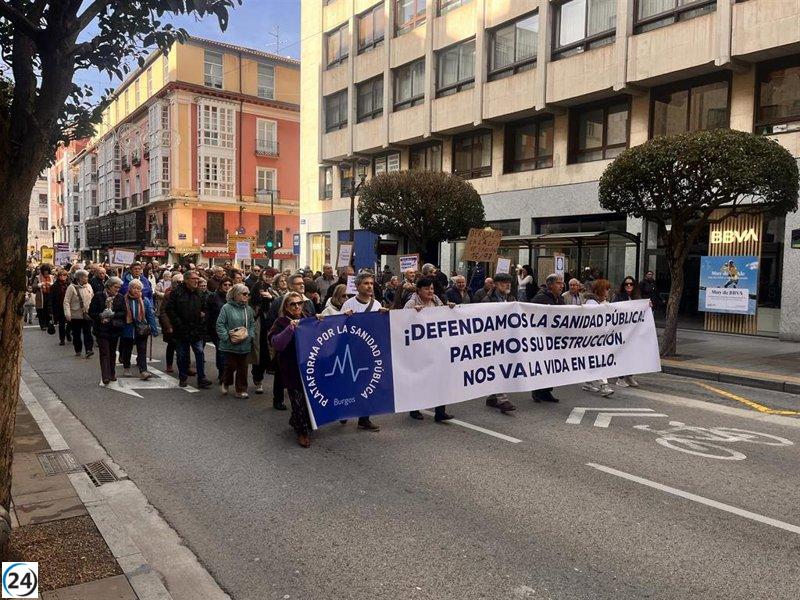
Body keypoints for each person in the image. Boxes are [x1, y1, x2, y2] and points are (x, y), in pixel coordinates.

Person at [335, 272, 383, 431]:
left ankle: (364, 418)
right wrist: (344, 317)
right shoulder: (349, 304)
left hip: (369, 352)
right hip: (352, 351)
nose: (369, 286)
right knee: (349, 383)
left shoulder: (376, 304)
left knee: (367, 385)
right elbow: (338, 328)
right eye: (366, 283)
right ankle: (344, 409)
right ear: (357, 286)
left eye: (371, 283)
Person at [404, 278, 454, 422]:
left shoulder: (437, 301)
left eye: (431, 288)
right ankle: (414, 408)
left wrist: (449, 309)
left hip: (437, 348)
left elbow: (445, 320)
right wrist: (413, 314)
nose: (430, 291)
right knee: (421, 380)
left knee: (440, 379)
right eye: (426, 289)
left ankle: (440, 412)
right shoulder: (412, 303)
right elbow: (402, 323)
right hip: (419, 350)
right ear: (418, 290)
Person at [269, 292, 313, 447]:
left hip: (309, 366)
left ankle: (297, 420)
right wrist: (290, 328)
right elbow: (276, 343)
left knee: (308, 400)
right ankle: (302, 432)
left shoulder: (308, 319)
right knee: (297, 399)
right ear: (286, 306)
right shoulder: (281, 321)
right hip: (290, 367)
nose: (297, 307)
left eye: (299, 303)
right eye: (292, 304)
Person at [163, 270, 213, 389]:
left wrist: (203, 315)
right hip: (181, 330)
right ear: (186, 280)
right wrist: (177, 323)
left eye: (197, 278)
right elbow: (169, 309)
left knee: (200, 353)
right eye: (193, 279)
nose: (196, 281)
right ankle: (183, 377)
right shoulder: (177, 293)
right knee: (182, 355)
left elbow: (206, 307)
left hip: (196, 329)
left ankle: (202, 378)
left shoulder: (199, 293)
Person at [481, 273, 517, 414]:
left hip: (507, 339)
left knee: (501, 368)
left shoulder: (511, 298)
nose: (507, 285)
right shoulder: (487, 300)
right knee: (499, 368)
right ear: (495, 284)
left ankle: (492, 397)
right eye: (503, 283)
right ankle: (503, 400)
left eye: (509, 282)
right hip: (493, 340)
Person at [216, 283, 256, 399]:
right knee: (231, 366)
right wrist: (225, 337)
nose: (246, 296)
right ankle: (226, 382)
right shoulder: (226, 308)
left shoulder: (248, 309)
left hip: (245, 344)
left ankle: (241, 390)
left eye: (248, 294)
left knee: (243, 368)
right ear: (235, 295)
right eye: (244, 294)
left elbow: (252, 324)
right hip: (229, 344)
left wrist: (251, 335)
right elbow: (220, 324)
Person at [530, 273, 565, 403]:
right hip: (542, 339)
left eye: (562, 283)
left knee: (551, 367)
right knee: (541, 365)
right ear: (550, 285)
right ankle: (537, 392)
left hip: (555, 340)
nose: (562, 285)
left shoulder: (560, 300)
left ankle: (547, 391)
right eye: (558, 283)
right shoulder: (540, 299)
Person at [118, 279, 159, 379]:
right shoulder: (123, 300)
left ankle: (143, 371)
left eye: (138, 288)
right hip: (128, 329)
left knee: (142, 350)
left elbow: (150, 315)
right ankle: (126, 368)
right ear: (130, 288)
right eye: (134, 288)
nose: (136, 290)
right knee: (127, 349)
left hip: (142, 328)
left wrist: (154, 329)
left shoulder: (145, 301)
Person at [581, 279, 615, 397]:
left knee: (594, 361)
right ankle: (604, 385)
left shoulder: (603, 302)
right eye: (606, 289)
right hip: (592, 339)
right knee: (599, 361)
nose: (608, 291)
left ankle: (588, 382)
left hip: (599, 338)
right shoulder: (591, 303)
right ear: (600, 290)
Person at [88, 277, 124, 385]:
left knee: (112, 353)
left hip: (114, 329)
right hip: (101, 329)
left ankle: (112, 373)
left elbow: (123, 312)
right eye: (115, 287)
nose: (117, 290)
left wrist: (113, 315)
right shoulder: (99, 296)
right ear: (108, 286)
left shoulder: (120, 298)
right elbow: (91, 312)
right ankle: (105, 376)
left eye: (119, 287)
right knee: (104, 352)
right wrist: (100, 315)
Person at [612, 276, 641, 388]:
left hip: (633, 332)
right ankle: (621, 378)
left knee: (633, 354)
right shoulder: (618, 297)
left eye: (631, 284)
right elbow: (613, 310)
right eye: (626, 284)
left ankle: (629, 376)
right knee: (623, 354)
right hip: (622, 331)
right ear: (623, 286)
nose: (629, 286)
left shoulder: (636, 297)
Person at [63, 269, 95, 358]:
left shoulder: (88, 286)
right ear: (80, 278)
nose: (87, 278)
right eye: (85, 277)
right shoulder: (71, 287)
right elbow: (66, 301)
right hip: (76, 315)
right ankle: (78, 349)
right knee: (76, 334)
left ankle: (89, 349)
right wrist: (67, 314)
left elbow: (92, 298)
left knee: (88, 332)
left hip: (87, 314)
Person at [207, 277, 232, 383]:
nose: (227, 287)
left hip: (230, 328)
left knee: (226, 352)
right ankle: (222, 373)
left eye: (229, 285)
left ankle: (223, 371)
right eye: (225, 284)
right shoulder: (214, 296)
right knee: (221, 350)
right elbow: (209, 312)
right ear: (221, 285)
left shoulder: (232, 297)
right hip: (216, 328)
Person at [50, 269, 71, 345]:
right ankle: (62, 339)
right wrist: (51, 310)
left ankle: (67, 332)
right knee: (61, 324)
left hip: (69, 306)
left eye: (64, 275)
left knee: (70, 322)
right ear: (58, 276)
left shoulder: (69, 285)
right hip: (59, 307)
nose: (62, 277)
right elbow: (51, 298)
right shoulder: (54, 286)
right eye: (61, 275)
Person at [33, 264, 53, 331]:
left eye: (47, 270)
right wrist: (39, 285)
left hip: (49, 296)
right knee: (41, 311)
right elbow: (34, 287)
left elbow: (56, 285)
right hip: (41, 296)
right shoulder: (37, 277)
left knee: (48, 311)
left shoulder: (52, 277)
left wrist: (51, 285)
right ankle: (42, 325)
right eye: (44, 271)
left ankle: (47, 323)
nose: (46, 272)